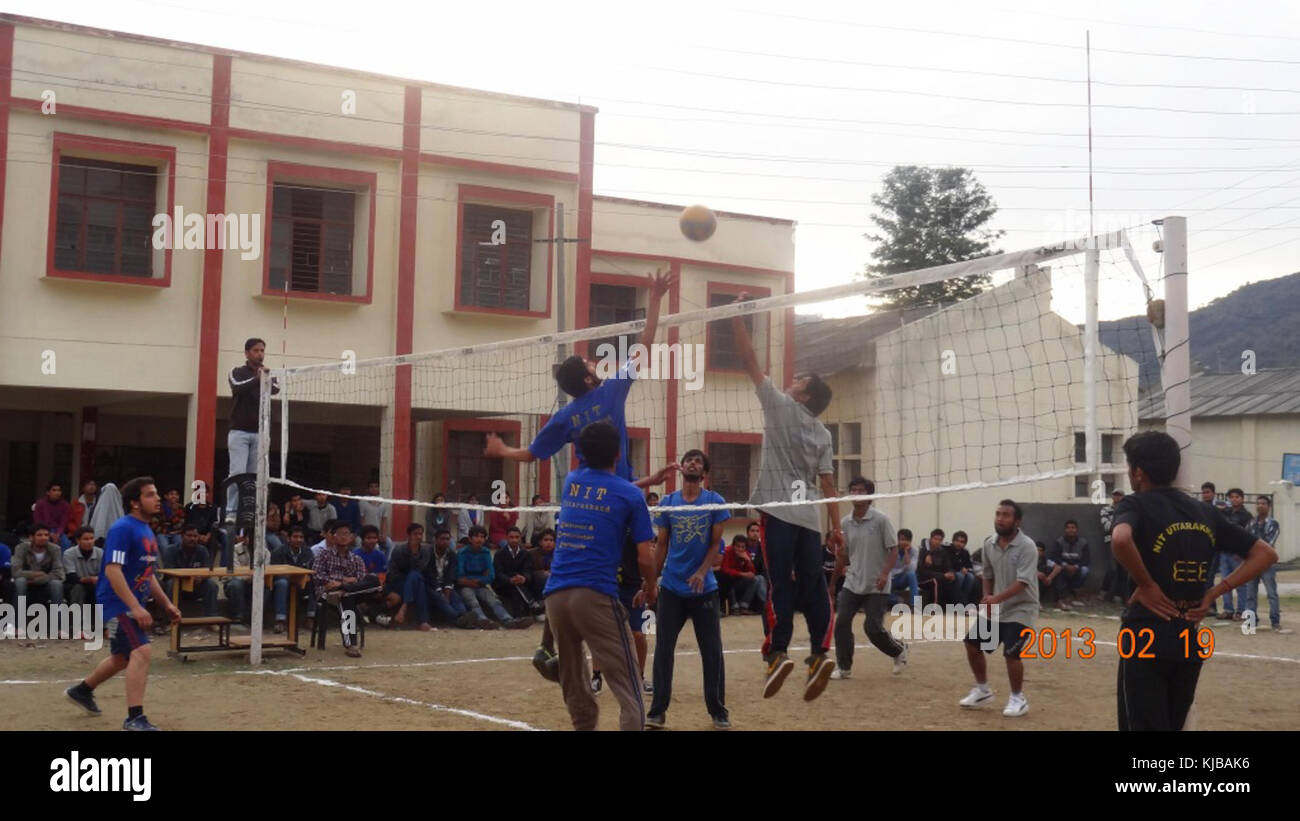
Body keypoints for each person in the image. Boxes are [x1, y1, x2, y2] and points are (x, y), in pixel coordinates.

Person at [1110, 431, 1276, 731]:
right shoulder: (1204, 511)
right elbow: (1265, 554)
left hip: (1147, 629)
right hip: (1188, 634)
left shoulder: (1136, 504)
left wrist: (1146, 585)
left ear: (1138, 472)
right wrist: (1214, 593)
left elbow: (1121, 539)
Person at [730, 291, 841, 701]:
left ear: (805, 395)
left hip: (779, 512)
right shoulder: (824, 434)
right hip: (810, 519)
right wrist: (837, 529)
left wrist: (738, 317)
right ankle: (818, 653)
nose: (792, 381)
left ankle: (777, 653)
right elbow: (829, 486)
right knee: (813, 587)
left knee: (778, 585)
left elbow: (749, 362)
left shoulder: (779, 405)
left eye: (800, 381)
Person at [543, 421, 658, 732]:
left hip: (555, 597)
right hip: (594, 595)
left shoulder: (571, 481)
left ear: (581, 454)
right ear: (619, 454)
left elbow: (606, 490)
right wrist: (651, 587)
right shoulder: (631, 496)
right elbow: (645, 556)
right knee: (629, 690)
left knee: (576, 689)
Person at [64, 476, 181, 730]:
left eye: (156, 493)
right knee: (142, 651)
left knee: (122, 657)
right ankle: (134, 718)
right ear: (134, 503)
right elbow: (113, 571)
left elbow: (147, 575)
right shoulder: (122, 528)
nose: (157, 498)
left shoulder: (146, 530)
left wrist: (166, 604)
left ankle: (82, 691)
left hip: (129, 602)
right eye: (150, 494)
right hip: (118, 603)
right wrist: (136, 607)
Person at [645, 448, 731, 730]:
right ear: (681, 468)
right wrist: (649, 583)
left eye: (698, 461)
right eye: (688, 460)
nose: (693, 463)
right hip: (671, 587)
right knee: (663, 649)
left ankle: (718, 711)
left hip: (704, 589)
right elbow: (661, 547)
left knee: (712, 651)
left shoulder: (714, 502)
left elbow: (715, 547)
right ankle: (657, 711)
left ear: (703, 472)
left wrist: (702, 571)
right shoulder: (669, 502)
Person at [959, 499, 1039, 718]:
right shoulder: (989, 544)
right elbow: (988, 574)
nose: (1000, 519)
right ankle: (983, 690)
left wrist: (996, 598)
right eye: (998, 514)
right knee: (972, 643)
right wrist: (987, 596)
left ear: (1017, 520)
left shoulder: (1027, 546)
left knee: (1012, 652)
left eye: (1006, 515)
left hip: (1022, 608)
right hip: (997, 606)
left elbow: (1023, 582)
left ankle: (1017, 698)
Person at [830, 477, 906, 680]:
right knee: (842, 623)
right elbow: (844, 556)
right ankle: (844, 667)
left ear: (870, 495)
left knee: (872, 628)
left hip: (876, 583)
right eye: (853, 490)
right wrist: (832, 584)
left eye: (861, 490)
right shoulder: (845, 522)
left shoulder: (881, 520)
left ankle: (898, 651)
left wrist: (884, 574)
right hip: (853, 581)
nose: (856, 494)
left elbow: (893, 550)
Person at [226, 337, 280, 518]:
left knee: (254, 476)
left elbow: (275, 389)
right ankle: (231, 512)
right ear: (247, 353)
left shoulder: (267, 373)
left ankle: (250, 511)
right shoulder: (237, 372)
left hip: (260, 432)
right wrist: (257, 379)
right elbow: (237, 388)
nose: (260, 354)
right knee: (237, 473)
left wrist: (265, 376)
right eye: (256, 350)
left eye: (262, 350)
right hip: (239, 431)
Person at [311, 521, 376, 657]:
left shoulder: (356, 559)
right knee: (346, 597)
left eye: (346, 534)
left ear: (351, 537)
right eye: (340, 534)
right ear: (333, 537)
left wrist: (341, 584)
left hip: (348, 591)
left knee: (373, 580)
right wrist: (347, 581)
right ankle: (351, 643)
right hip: (327, 593)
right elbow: (318, 576)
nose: (343, 537)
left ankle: (344, 589)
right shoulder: (324, 555)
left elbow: (361, 578)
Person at [457, 525, 529, 629]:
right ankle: (483, 620)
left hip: (479, 585)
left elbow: (491, 576)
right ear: (470, 539)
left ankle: (508, 620)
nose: (479, 539)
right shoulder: (462, 553)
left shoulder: (485, 552)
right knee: (472, 601)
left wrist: (474, 580)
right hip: (467, 586)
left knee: (494, 601)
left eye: (482, 537)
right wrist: (479, 579)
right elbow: (459, 576)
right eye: (476, 537)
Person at [1244, 495, 1287, 633]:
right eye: (1258, 503)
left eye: (1263, 503)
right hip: (1252, 563)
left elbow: (1269, 542)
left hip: (1267, 563)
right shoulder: (1251, 523)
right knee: (1250, 594)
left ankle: (1275, 621)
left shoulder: (1273, 524)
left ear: (1268, 506)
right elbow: (1245, 539)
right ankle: (1251, 622)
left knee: (1271, 593)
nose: (1260, 506)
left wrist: (1253, 547)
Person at [161, 526, 219, 620]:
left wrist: (201, 577)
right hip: (177, 585)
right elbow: (168, 572)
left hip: (196, 586)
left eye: (195, 536)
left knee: (211, 585)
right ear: (182, 536)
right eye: (189, 536)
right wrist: (187, 577)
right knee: (170, 584)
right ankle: (169, 620)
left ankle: (211, 619)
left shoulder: (202, 550)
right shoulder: (171, 550)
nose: (192, 539)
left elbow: (208, 571)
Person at [386, 523, 433, 632]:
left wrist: (414, 552)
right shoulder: (399, 550)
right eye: (415, 534)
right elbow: (393, 572)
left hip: (415, 580)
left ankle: (404, 608)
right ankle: (423, 621)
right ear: (409, 536)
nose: (418, 537)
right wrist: (411, 550)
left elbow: (419, 569)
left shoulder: (425, 551)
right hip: (398, 582)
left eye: (420, 534)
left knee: (415, 577)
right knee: (417, 582)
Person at [269, 526, 316, 633]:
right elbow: (275, 571)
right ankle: (280, 620)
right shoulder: (278, 552)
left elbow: (311, 569)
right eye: (295, 537)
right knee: (282, 583)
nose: (299, 540)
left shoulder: (307, 552)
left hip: (301, 582)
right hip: (282, 581)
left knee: (314, 582)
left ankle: (311, 618)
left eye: (301, 537)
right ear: (288, 538)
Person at [1216, 488, 1253, 621]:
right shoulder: (1226, 513)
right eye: (1232, 497)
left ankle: (1241, 611)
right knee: (1225, 582)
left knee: (1240, 583)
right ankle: (1228, 610)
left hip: (1238, 554)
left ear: (1242, 499)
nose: (1234, 499)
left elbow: (1249, 536)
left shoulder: (1246, 516)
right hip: (1225, 552)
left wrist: (1243, 552)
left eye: (1237, 497)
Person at [493, 526, 542, 617]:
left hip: (521, 583)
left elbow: (528, 570)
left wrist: (524, 578)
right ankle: (531, 603)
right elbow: (498, 573)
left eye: (517, 537)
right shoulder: (499, 554)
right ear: (507, 538)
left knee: (519, 584)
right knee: (514, 582)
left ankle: (521, 615)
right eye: (511, 537)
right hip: (503, 584)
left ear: (520, 538)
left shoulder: (525, 553)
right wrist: (509, 580)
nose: (514, 540)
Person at [12, 525, 67, 606]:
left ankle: (58, 616)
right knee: (20, 581)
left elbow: (59, 574)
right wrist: (36, 574)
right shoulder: (21, 548)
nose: (44, 538)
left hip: (44, 584)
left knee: (56, 584)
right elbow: (16, 572)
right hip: (25, 585)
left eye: (46, 535)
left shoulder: (55, 549)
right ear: (31, 537)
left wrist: (36, 580)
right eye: (39, 535)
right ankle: (17, 616)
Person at [428, 528, 472, 627]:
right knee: (441, 599)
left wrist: (447, 589)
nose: (445, 542)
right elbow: (428, 575)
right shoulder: (428, 553)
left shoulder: (452, 554)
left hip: (445, 584)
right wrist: (439, 590)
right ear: (435, 540)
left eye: (447, 539)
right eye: (442, 539)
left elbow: (450, 574)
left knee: (456, 598)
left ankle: (464, 616)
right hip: (431, 585)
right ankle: (458, 619)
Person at [719, 535, 766, 614]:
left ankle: (744, 606)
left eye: (743, 547)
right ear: (733, 546)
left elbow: (752, 573)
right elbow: (725, 569)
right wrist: (742, 574)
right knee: (728, 578)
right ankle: (734, 607)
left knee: (756, 579)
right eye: (738, 546)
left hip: (740, 583)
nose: (740, 549)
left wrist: (748, 561)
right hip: (729, 583)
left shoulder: (745, 554)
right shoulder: (727, 551)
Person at [1049, 520, 1091, 608]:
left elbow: (1086, 559)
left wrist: (1076, 566)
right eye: (1068, 528)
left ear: (1077, 529)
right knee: (1055, 567)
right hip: (1063, 566)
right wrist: (1065, 565)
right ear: (1065, 530)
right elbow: (1054, 556)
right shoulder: (1059, 542)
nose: (1071, 530)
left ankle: (1075, 590)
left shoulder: (1083, 542)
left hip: (1077, 567)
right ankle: (1061, 595)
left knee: (1085, 570)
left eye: (1073, 527)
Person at [1098, 489, 1128, 603]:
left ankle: (1120, 595)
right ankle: (1104, 591)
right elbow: (1107, 527)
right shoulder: (1106, 509)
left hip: (1125, 541)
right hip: (1110, 540)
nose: (1118, 497)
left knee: (1124, 568)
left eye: (1120, 495)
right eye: (1115, 495)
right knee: (1113, 568)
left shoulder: (1127, 510)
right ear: (1112, 497)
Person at [63, 526, 103, 610]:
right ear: (78, 540)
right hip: (75, 585)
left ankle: (101, 617)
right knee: (78, 588)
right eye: (86, 539)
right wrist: (89, 579)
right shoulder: (69, 553)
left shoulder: (100, 552)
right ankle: (76, 618)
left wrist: (94, 580)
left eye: (91, 538)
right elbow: (71, 577)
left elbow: (103, 574)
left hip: (95, 585)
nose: (89, 542)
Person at [917, 528, 954, 606]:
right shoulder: (923, 551)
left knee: (952, 580)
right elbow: (921, 570)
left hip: (939, 576)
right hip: (923, 578)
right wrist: (942, 575)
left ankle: (950, 607)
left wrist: (951, 573)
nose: (937, 541)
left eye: (940, 540)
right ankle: (934, 608)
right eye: (935, 539)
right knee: (935, 581)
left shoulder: (943, 552)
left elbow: (948, 566)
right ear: (930, 539)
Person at [33, 483, 72, 547]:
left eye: (59, 490)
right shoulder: (40, 504)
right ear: (48, 492)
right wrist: (49, 534)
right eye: (54, 490)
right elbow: (38, 522)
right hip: (43, 530)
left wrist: (58, 534)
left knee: (66, 543)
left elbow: (63, 523)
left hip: (59, 531)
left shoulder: (65, 505)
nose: (57, 492)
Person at [947, 530, 978, 606]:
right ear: (953, 541)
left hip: (962, 572)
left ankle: (963, 600)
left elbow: (969, 566)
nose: (959, 543)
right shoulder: (947, 549)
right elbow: (948, 564)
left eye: (962, 542)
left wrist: (966, 569)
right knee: (960, 576)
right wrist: (961, 568)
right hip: (950, 571)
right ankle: (955, 601)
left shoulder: (965, 552)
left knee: (970, 577)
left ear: (964, 544)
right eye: (957, 541)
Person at [890, 529, 920, 605]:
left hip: (901, 579)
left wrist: (906, 552)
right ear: (898, 540)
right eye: (902, 539)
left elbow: (912, 569)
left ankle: (916, 604)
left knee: (912, 574)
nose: (904, 542)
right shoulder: (891, 549)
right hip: (889, 580)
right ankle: (897, 600)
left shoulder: (914, 551)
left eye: (907, 540)